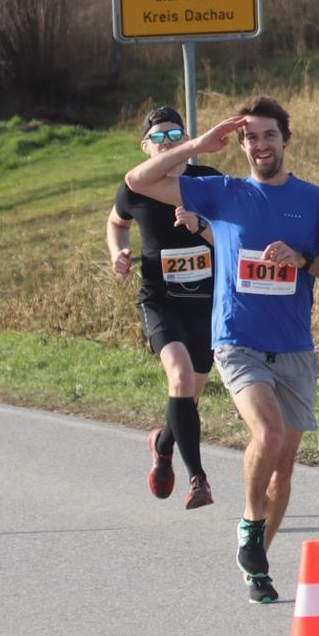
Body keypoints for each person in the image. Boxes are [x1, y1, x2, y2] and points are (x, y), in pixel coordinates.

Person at [125, 96, 319, 604]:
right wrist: (193, 145)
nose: (260, 144)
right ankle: (251, 526)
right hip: (238, 342)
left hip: (295, 347)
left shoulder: (315, 201)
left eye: (269, 135)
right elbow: (138, 182)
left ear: (285, 140)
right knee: (269, 432)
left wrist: (306, 262)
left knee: (283, 467)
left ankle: (256, 560)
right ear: (240, 145)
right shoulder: (221, 193)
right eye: (250, 137)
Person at [107, 106, 220, 510]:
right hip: (160, 301)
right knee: (180, 378)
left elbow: (232, 237)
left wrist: (200, 225)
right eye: (160, 138)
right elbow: (116, 222)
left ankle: (161, 442)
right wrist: (118, 251)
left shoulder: (207, 181)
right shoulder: (134, 190)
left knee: (188, 396)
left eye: (177, 136)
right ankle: (198, 480)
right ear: (145, 146)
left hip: (206, 304)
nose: (169, 144)